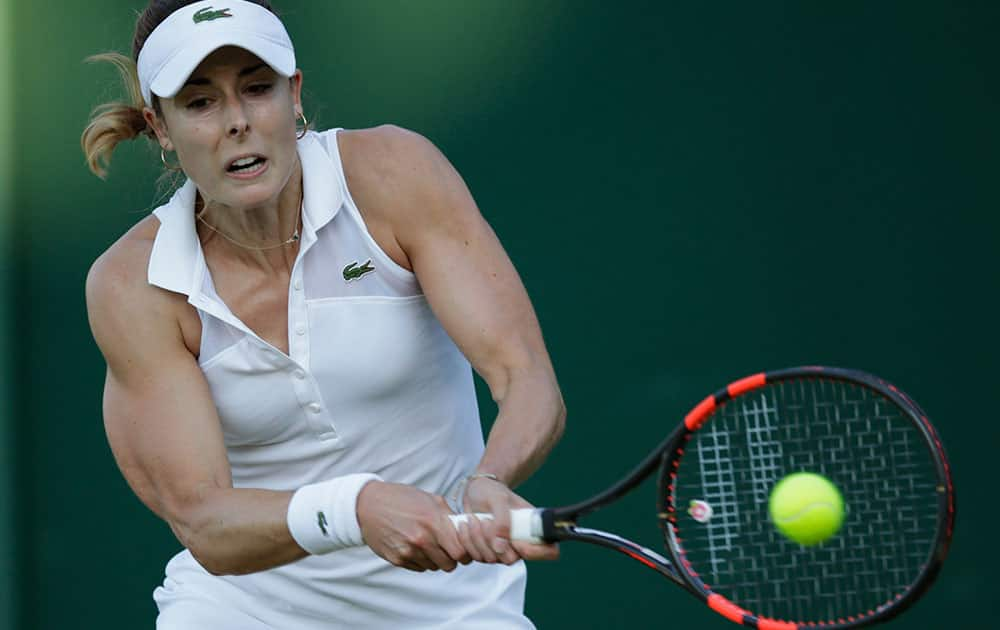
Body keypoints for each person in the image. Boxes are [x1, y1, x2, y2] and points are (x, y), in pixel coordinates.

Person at [80, 1, 565, 627]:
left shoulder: (394, 174)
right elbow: (204, 520)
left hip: (456, 611)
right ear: (161, 125)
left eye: (257, 89)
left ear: (295, 94)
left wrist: (491, 478)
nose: (237, 123)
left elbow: (526, 379)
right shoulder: (133, 285)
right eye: (200, 103)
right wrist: (353, 508)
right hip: (244, 611)